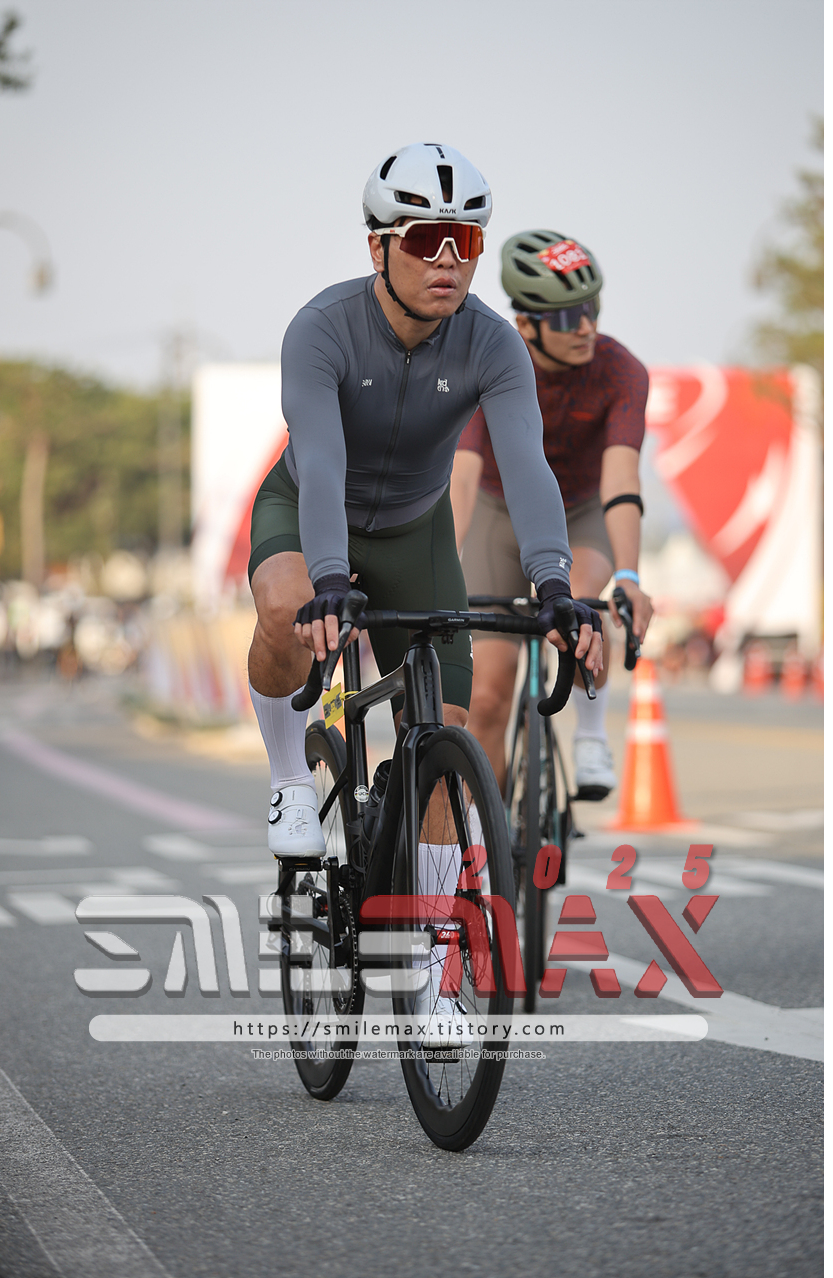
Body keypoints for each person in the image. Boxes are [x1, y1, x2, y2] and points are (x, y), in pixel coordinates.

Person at [244, 144, 602, 1043]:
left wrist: (555, 583)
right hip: (310, 511)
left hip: (415, 531)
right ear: (378, 247)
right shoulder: (320, 329)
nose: (448, 260)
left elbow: (528, 466)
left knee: (443, 738)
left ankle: (435, 979)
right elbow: (320, 461)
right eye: (425, 239)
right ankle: (290, 778)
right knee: (284, 609)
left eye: (466, 241)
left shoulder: (491, 342)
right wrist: (329, 579)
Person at [450, 229, 654, 799]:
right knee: (487, 695)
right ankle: (486, 831)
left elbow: (621, 479)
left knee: (582, 601)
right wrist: (437, 565)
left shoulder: (621, 370)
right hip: (499, 513)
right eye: (566, 317)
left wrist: (630, 577)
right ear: (526, 325)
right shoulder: (490, 362)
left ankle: (590, 731)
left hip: (582, 512)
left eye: (591, 309)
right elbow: (461, 477)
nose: (586, 326)